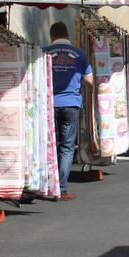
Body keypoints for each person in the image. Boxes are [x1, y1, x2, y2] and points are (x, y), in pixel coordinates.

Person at [44, 22, 93, 201]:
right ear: (67, 35)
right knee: (66, 147)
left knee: (49, 145)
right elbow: (90, 81)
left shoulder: (44, 52)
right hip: (71, 104)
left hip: (49, 105)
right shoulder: (79, 54)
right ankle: (62, 190)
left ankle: (46, 185)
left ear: (52, 36)